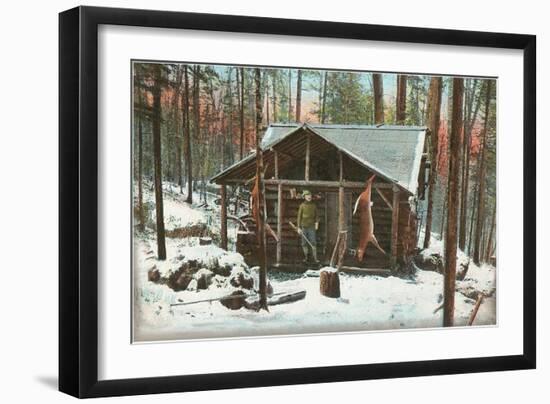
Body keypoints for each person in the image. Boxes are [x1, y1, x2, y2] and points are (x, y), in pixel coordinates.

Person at [297, 190, 319, 263]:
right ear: (304, 197)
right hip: (304, 227)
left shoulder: (314, 206)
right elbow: (299, 217)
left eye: (310, 195)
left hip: (312, 227)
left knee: (313, 242)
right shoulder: (302, 206)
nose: (309, 197)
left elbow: (317, 216)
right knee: (304, 243)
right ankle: (306, 258)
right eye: (307, 195)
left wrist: (316, 223)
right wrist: (299, 228)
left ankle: (315, 259)